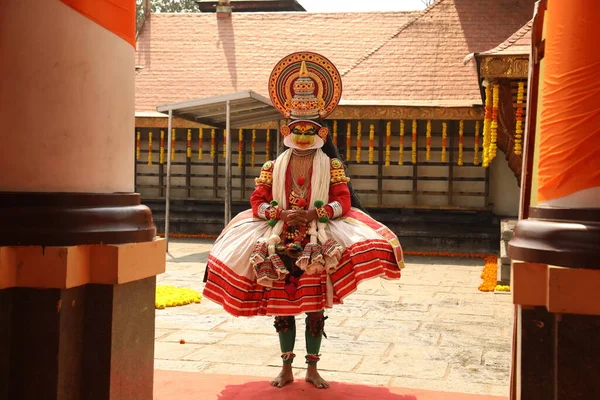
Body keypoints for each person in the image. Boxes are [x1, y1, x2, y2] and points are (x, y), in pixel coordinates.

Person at [202, 52, 404, 389]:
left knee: (313, 308)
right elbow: (257, 201)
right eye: (299, 129)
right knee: (282, 307)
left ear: (322, 131)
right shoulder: (272, 166)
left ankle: (312, 369)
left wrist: (313, 213)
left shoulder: (332, 166)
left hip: (317, 237)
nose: (305, 135)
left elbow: (343, 200)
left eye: (311, 129)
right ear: (287, 130)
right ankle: (285, 368)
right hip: (278, 236)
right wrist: (279, 213)